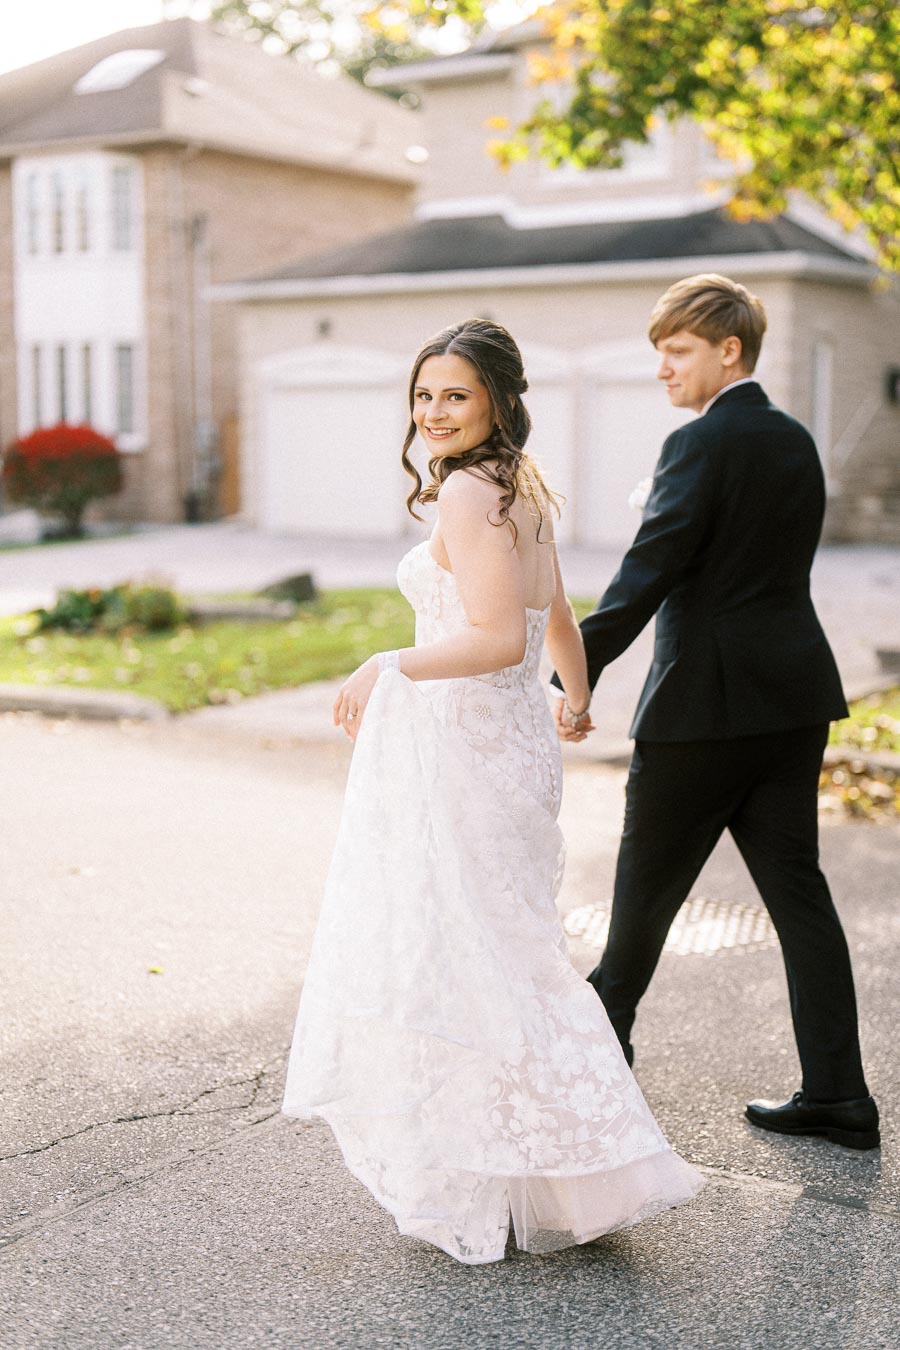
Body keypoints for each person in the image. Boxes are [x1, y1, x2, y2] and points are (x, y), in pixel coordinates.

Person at [282, 318, 704, 1265]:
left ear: (497, 403)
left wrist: (385, 660)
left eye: (455, 396)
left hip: (467, 754)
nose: (433, 412)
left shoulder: (471, 492)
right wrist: (579, 693)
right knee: (502, 952)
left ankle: (571, 1154)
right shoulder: (524, 485)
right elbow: (553, 609)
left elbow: (496, 636)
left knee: (475, 953)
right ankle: (537, 1168)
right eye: (424, 395)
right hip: (507, 748)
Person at [553, 274, 879, 1151]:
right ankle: (840, 1095)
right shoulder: (795, 440)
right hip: (792, 702)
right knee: (800, 898)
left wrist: (570, 673)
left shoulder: (698, 443)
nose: (663, 367)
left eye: (678, 350)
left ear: (727, 350)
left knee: (641, 906)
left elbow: (651, 566)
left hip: (702, 710)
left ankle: (581, 1094)